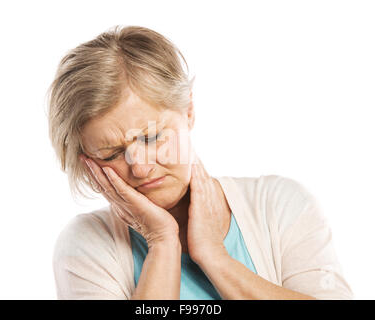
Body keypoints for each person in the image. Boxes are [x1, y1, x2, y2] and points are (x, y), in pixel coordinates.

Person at [47, 25, 353, 300]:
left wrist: (215, 257)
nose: (140, 167)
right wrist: (162, 243)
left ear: (189, 111)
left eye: (152, 137)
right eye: (112, 154)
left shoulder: (279, 205)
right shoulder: (85, 246)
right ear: (87, 163)